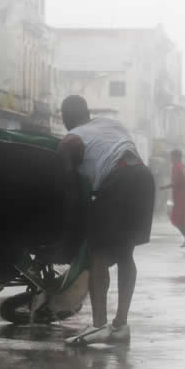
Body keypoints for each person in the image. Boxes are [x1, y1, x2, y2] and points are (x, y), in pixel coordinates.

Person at [57, 96, 155, 346]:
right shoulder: (111, 124)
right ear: (87, 112)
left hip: (117, 180)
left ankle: (99, 325)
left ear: (65, 117)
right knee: (125, 254)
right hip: (143, 178)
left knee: (97, 255)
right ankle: (121, 326)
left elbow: (69, 186)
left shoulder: (71, 139)